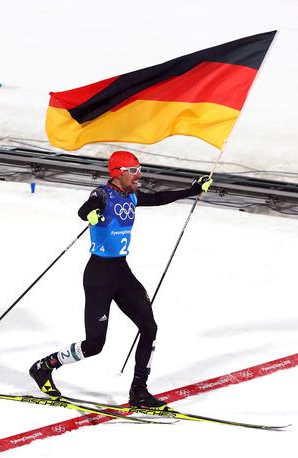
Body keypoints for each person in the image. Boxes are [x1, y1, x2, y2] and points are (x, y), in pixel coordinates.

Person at [29, 150, 212, 408]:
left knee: (149, 328)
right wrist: (91, 215)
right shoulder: (102, 195)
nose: (139, 175)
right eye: (134, 170)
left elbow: (158, 198)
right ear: (119, 173)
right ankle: (44, 367)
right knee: (94, 345)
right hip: (99, 277)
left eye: (139, 169)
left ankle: (139, 391)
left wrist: (192, 190)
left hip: (122, 273)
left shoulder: (132, 197)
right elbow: (86, 209)